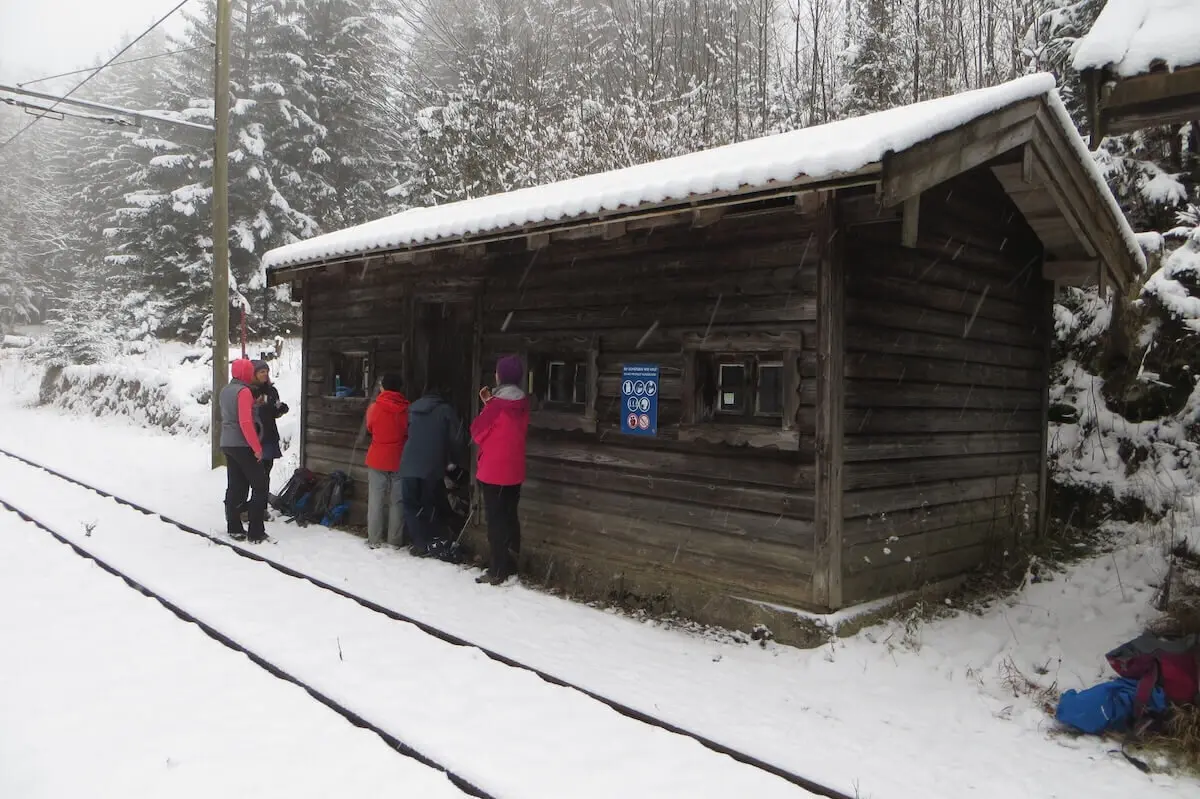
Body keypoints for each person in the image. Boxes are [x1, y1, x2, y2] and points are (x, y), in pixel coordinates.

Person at [471, 355, 530, 585]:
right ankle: (512, 563)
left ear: (500, 376)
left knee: (495, 521)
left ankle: (497, 570)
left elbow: (477, 432)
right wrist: (490, 403)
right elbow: (507, 424)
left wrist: (488, 405)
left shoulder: (495, 406)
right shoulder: (523, 403)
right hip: (514, 470)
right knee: (509, 516)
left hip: (493, 472)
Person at [399, 377, 467, 557]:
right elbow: (458, 438)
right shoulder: (445, 410)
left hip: (408, 464)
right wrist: (455, 460)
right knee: (429, 504)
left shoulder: (412, 408)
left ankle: (419, 543)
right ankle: (433, 541)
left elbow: (406, 433)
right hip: (431, 466)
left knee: (411, 505)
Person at [220, 358, 269, 543]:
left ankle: (234, 527)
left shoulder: (225, 390)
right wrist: (256, 448)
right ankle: (256, 532)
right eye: (249, 371)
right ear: (245, 373)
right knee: (260, 485)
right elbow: (245, 422)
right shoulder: (244, 392)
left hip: (227, 442)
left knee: (236, 485)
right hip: (243, 445)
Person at [365, 373, 410, 549]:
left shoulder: (375, 408)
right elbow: (407, 430)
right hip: (399, 458)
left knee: (376, 500)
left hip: (377, 458)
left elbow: (370, 427)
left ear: (383, 387)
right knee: (397, 501)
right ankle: (395, 541)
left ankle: (374, 540)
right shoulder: (406, 409)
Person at [251, 360, 288, 489]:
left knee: (266, 471)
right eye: (262, 372)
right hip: (254, 436)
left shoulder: (272, 391)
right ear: (254, 374)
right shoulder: (248, 391)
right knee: (255, 473)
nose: (265, 374)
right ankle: (253, 504)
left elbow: (274, 412)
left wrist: (280, 410)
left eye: (267, 372)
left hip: (269, 435)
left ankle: (262, 504)